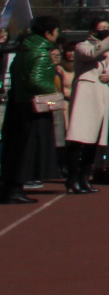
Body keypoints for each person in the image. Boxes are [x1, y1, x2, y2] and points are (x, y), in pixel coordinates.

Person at [2, 17, 62, 203]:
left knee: (15, 148)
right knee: (27, 149)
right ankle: (15, 189)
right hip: (33, 107)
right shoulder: (41, 52)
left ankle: (10, 187)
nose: (58, 35)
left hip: (18, 103)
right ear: (48, 33)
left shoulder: (24, 48)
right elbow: (36, 80)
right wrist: (54, 92)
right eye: (56, 31)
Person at [61, 16, 109, 192]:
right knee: (78, 139)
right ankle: (72, 179)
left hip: (101, 94)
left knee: (93, 142)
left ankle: (84, 177)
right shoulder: (82, 46)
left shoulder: (108, 52)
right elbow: (91, 53)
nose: (107, 31)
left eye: (108, 28)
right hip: (85, 95)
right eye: (103, 28)